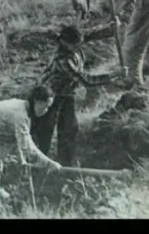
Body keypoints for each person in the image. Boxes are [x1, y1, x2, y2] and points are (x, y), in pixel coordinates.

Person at [36, 25, 127, 166]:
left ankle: (65, 163)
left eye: (79, 44)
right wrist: (113, 76)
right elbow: (86, 80)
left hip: (67, 93)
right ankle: (39, 162)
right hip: (50, 95)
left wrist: (110, 28)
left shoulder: (74, 41)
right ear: (64, 43)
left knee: (69, 128)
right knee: (46, 129)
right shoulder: (62, 60)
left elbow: (91, 34)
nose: (78, 47)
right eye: (75, 45)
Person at [0, 85, 61, 213]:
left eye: (48, 107)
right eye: (45, 106)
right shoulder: (20, 115)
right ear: (37, 101)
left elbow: (20, 140)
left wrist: (22, 159)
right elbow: (27, 146)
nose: (46, 110)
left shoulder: (26, 110)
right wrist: (48, 163)